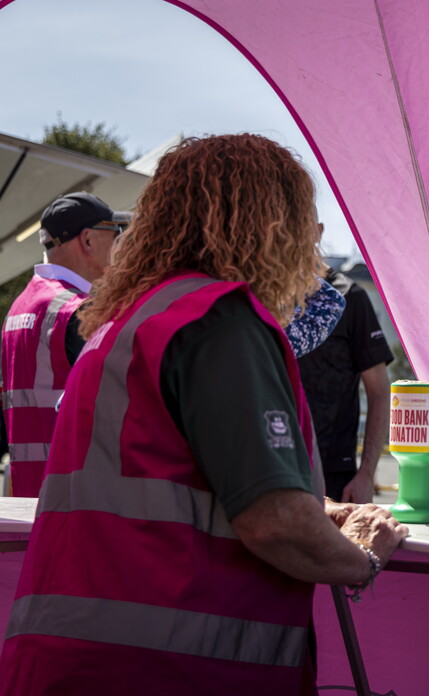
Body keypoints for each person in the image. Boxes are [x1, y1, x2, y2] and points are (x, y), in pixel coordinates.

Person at [0, 134, 408, 695]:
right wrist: (362, 556)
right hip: (170, 664)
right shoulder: (220, 319)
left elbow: (170, 481)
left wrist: (315, 508)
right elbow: (275, 524)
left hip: (71, 659)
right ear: (272, 226)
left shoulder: (126, 319)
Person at [0, 192, 130, 497]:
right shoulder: (75, 309)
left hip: (28, 491)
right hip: (73, 494)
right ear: (87, 241)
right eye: (115, 234)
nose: (119, 246)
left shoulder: (19, 308)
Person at [297, 268, 393, 503]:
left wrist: (366, 475)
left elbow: (380, 391)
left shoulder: (348, 295)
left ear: (317, 231)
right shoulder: (264, 290)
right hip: (276, 465)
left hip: (335, 474)